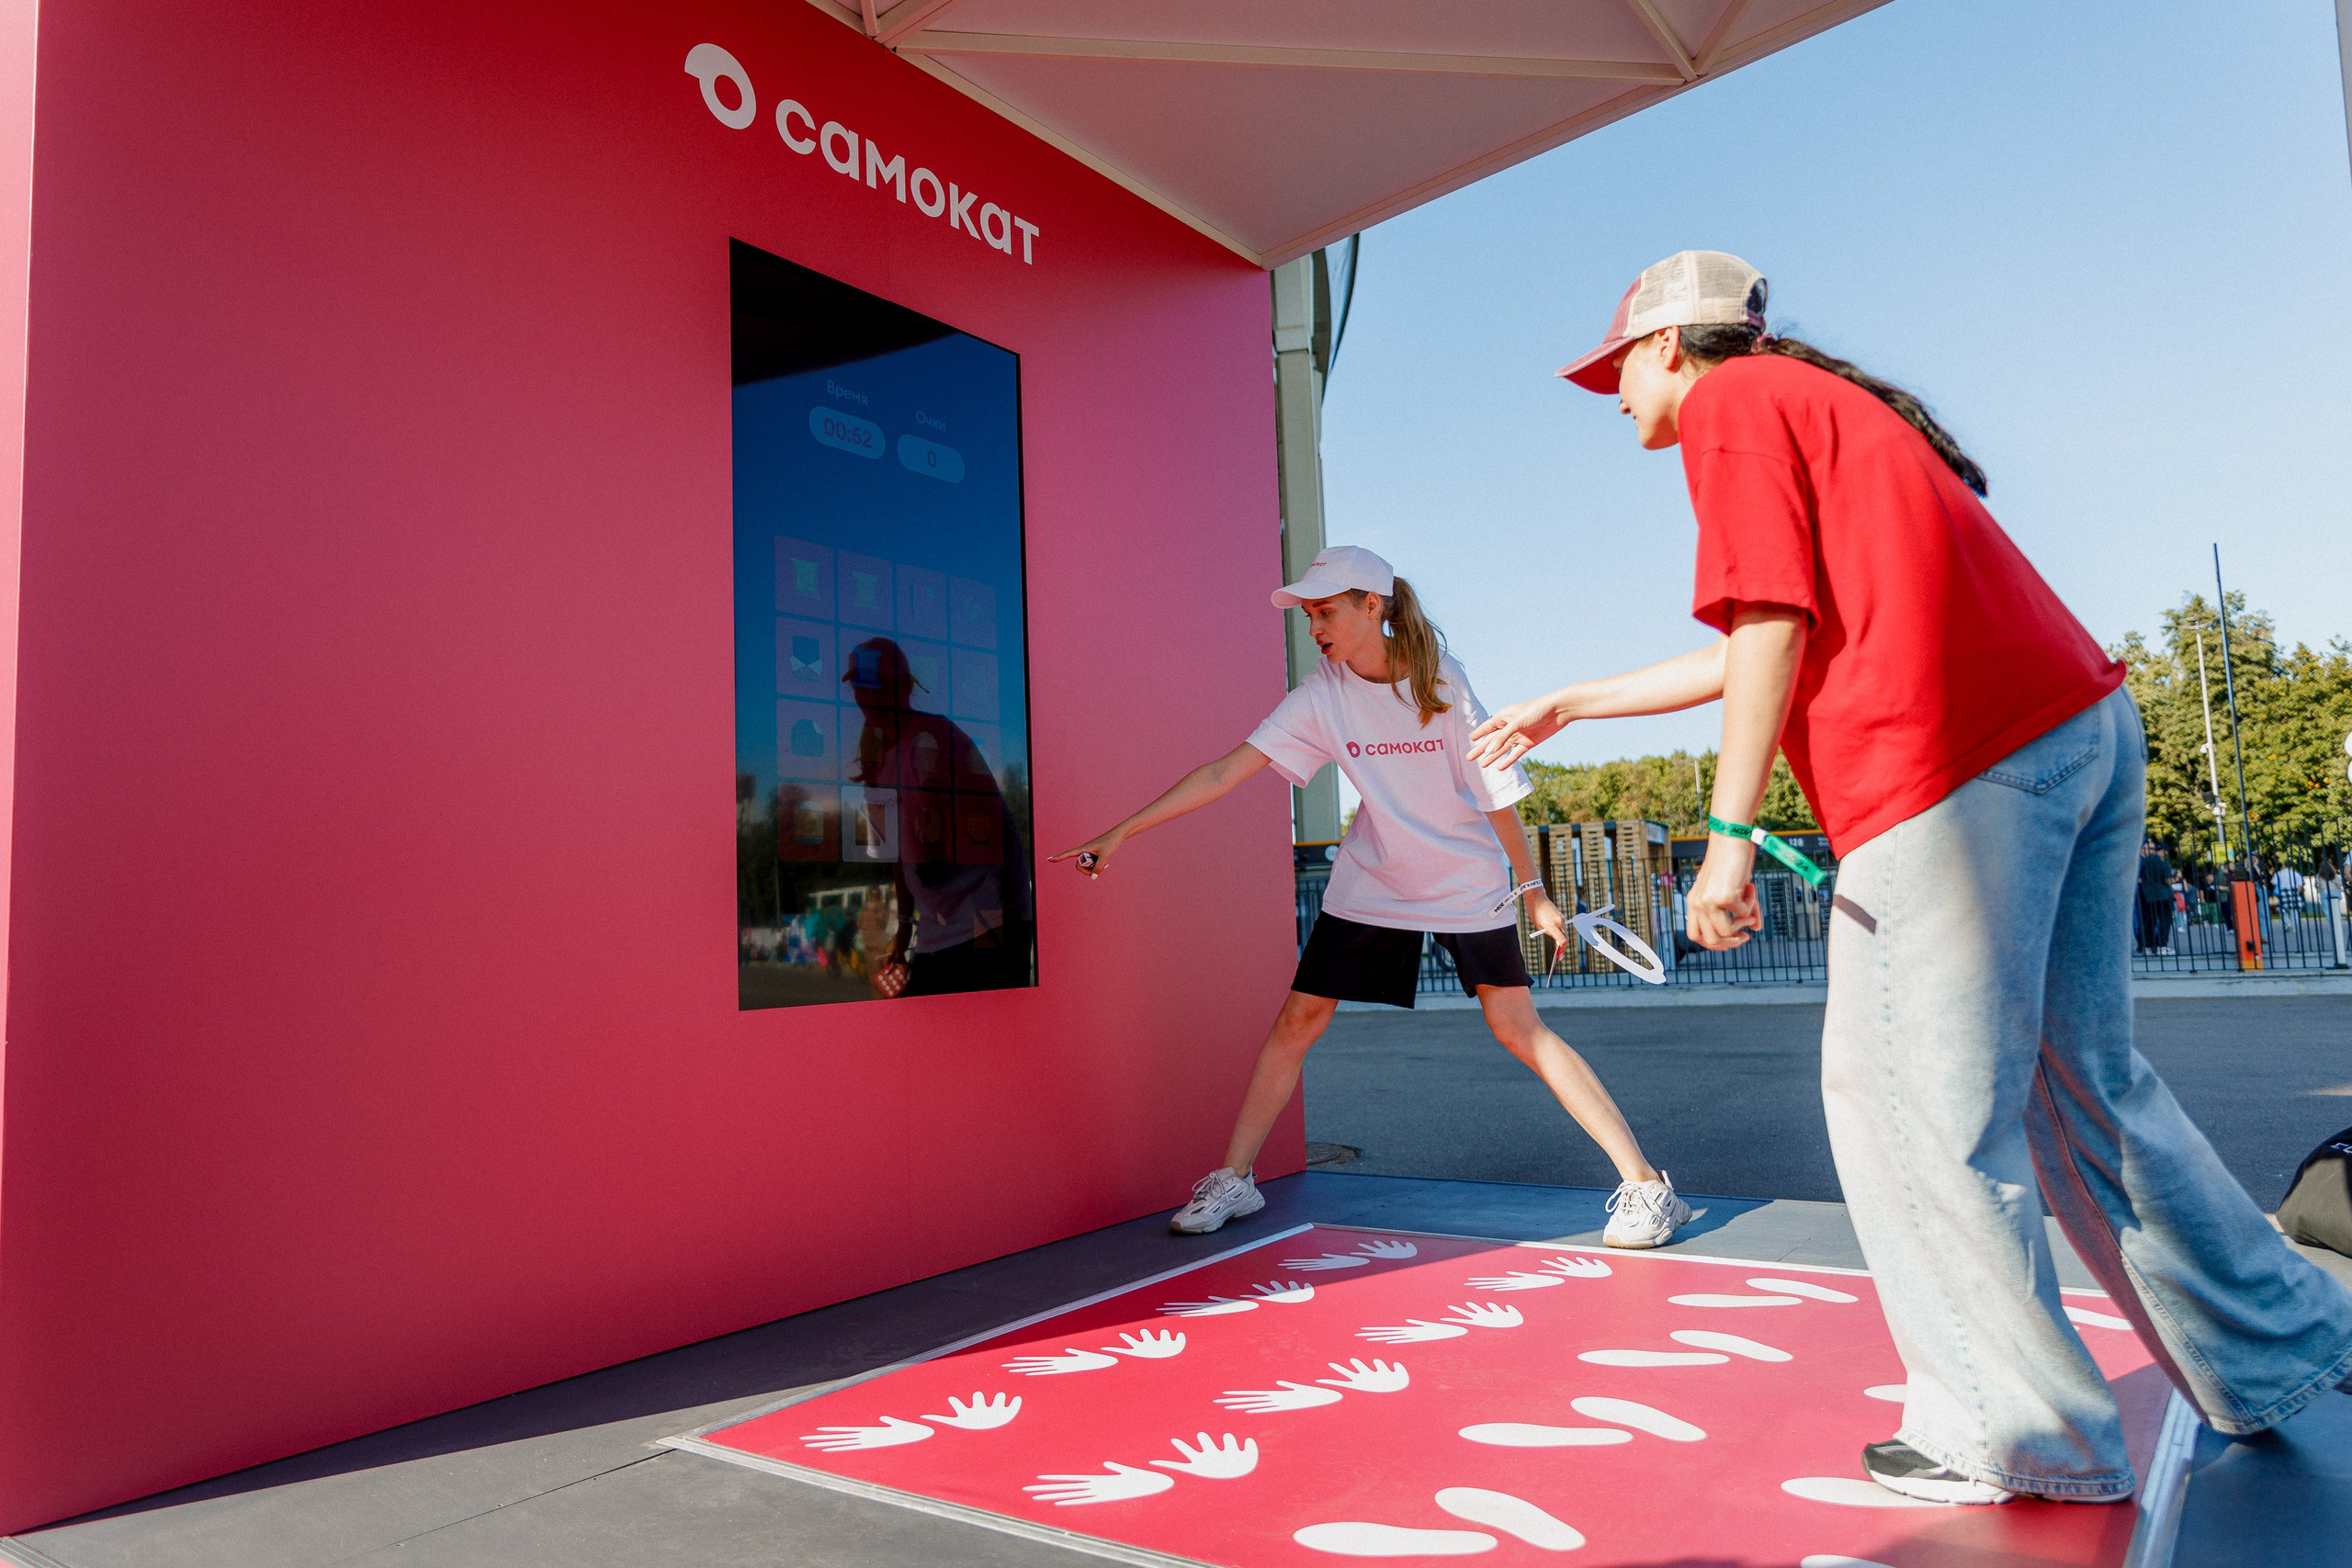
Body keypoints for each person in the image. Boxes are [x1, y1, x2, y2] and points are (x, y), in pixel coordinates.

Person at [1469, 251, 2352, 1505]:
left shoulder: (1730, 405)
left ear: (1668, 343)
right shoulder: (1830, 405)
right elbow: (1764, 631)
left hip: (1954, 768)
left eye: (1613, 366)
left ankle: (2019, 1425)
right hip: (2078, 728)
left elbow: (1769, 619)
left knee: (1910, 1103)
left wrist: (1728, 837)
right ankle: (2278, 1345)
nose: (1610, 393)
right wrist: (1576, 699)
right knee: (2084, 1082)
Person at [1054, 546, 1690, 1248]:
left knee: (1518, 1027)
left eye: (1325, 610)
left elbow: (1494, 786)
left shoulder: (1440, 680)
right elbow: (1223, 773)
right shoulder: (1321, 695)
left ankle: (1649, 1188)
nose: (1313, 625)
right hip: (1374, 880)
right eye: (1308, 614)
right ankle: (1234, 1179)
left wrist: (1532, 889)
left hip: (1461, 879)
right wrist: (1123, 831)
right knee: (1298, 1020)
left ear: (1372, 605)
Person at [2137, 840, 2177, 955]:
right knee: (2165, 921)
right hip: (2164, 896)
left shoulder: (2144, 863)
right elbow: (2169, 881)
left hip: (2149, 897)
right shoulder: (2164, 864)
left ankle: (2146, 946)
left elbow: (2140, 879)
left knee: (2150, 921)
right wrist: (2177, 878)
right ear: (2164, 852)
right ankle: (2162, 946)